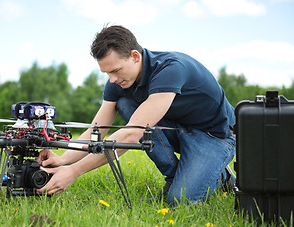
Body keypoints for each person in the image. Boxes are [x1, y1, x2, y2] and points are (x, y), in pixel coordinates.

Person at [36, 25, 236, 206]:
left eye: (115, 70)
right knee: (125, 103)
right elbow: (95, 132)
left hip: (215, 136)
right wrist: (63, 160)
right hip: (178, 127)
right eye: (106, 73)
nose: (112, 79)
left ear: (135, 56)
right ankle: (174, 177)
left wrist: (73, 172)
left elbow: (131, 135)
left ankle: (221, 177)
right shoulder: (118, 82)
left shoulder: (171, 68)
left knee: (180, 201)